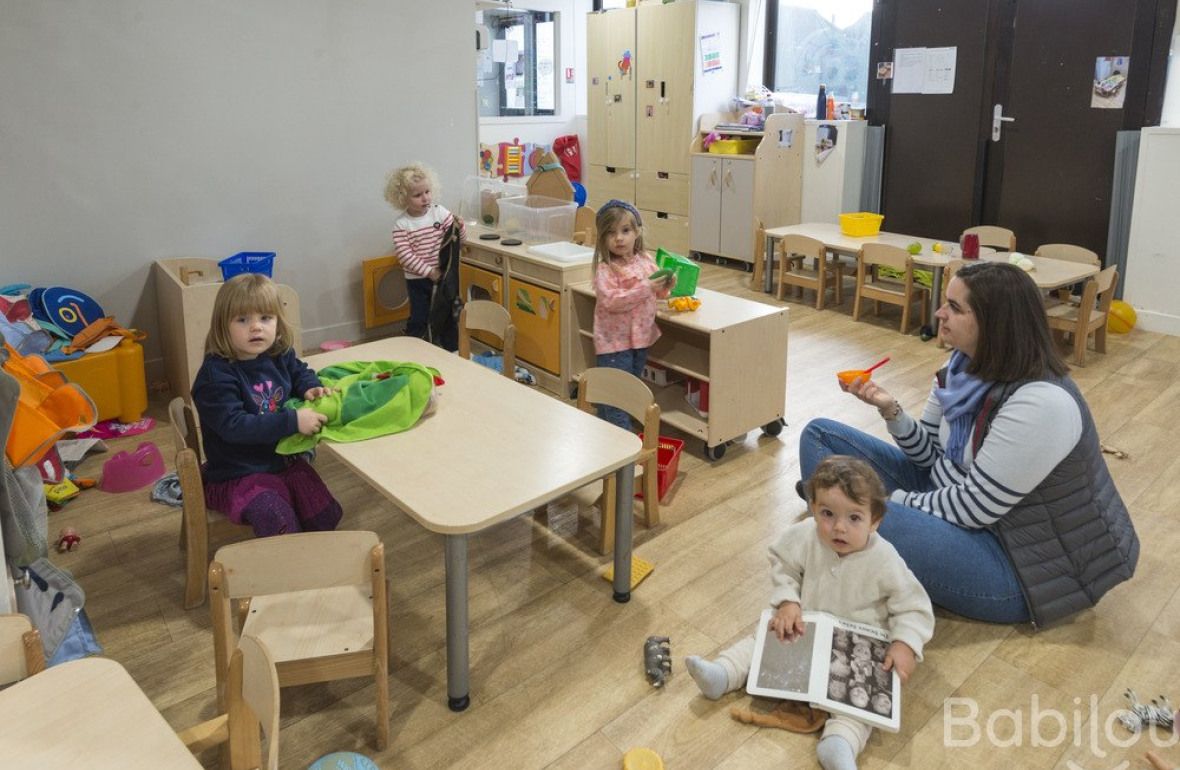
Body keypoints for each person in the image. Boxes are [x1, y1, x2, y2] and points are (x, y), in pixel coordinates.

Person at [799, 260, 1138, 628]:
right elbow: (931, 458)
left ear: (994, 324)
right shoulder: (959, 368)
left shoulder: (1041, 403)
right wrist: (890, 410)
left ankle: (834, 523)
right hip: (951, 498)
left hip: (1018, 564)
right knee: (820, 435)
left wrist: (885, 504)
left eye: (955, 307)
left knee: (869, 517)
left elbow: (974, 508)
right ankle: (845, 530)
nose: (939, 314)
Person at [686, 455, 935, 770]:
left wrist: (905, 644)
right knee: (761, 641)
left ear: (875, 521)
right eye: (827, 514)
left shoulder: (885, 559)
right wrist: (788, 601)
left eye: (854, 518)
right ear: (813, 508)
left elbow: (913, 606)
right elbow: (783, 563)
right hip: (804, 629)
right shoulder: (806, 534)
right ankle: (722, 674)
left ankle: (840, 745)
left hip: (855, 650)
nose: (839, 527)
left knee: (858, 705)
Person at [191, 273, 342, 538]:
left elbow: (299, 371)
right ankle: (284, 561)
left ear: (277, 322)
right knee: (275, 517)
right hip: (236, 473)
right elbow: (234, 426)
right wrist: (293, 421)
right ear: (222, 326)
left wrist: (310, 386)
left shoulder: (278, 353)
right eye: (242, 319)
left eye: (265, 318)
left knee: (324, 513)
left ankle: (310, 555)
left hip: (282, 461)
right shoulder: (216, 375)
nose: (256, 327)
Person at [591, 199, 674, 430]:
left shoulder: (645, 260)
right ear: (602, 238)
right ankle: (624, 439)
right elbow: (612, 301)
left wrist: (666, 285)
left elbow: (658, 293)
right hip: (614, 344)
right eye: (611, 233)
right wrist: (647, 287)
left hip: (640, 339)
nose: (619, 238)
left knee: (629, 389)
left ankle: (606, 429)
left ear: (637, 232)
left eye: (625, 231)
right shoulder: (605, 269)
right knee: (618, 395)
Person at [384, 162, 466, 345]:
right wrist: (429, 272)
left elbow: (458, 242)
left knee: (448, 315)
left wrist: (460, 227)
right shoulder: (402, 225)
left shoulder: (440, 213)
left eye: (427, 192)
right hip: (418, 280)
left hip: (443, 276)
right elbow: (405, 256)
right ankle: (415, 347)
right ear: (402, 198)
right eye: (417, 195)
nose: (425, 198)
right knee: (420, 317)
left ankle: (451, 350)